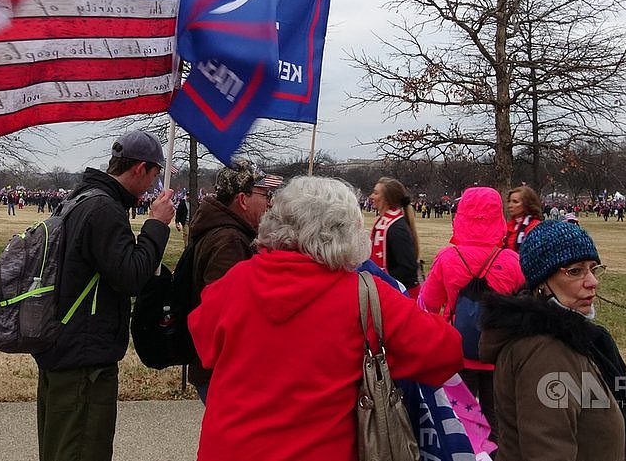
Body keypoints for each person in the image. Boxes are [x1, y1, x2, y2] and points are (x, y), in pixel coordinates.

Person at [189, 176, 463, 461]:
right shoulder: (366, 296)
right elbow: (445, 352)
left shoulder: (235, 281)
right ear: (347, 232)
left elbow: (204, 346)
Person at [33, 129, 175, 461]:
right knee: (82, 450)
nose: (154, 186)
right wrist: (157, 225)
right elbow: (131, 276)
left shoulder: (80, 198)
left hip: (63, 347)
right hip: (84, 362)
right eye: (154, 175)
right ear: (140, 169)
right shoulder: (104, 209)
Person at [479, 220, 626, 461]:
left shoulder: (573, 338)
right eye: (575, 271)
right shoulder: (546, 353)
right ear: (542, 282)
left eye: (593, 268)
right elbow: (547, 451)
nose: (592, 281)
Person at [418, 186, 525, 435]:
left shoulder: (448, 258)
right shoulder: (511, 261)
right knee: (498, 422)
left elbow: (428, 305)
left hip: (458, 350)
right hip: (499, 354)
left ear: (461, 216)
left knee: (460, 423)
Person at [187, 160, 280, 401]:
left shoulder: (225, 231)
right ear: (242, 199)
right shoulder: (230, 241)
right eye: (264, 193)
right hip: (223, 371)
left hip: (217, 368)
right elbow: (226, 313)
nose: (269, 201)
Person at [368, 177, 421, 291]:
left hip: (402, 293)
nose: (371, 196)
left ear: (387, 199)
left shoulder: (396, 228)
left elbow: (408, 268)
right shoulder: (382, 222)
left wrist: (380, 281)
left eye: (376, 193)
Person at [502, 185, 543, 252]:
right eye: (509, 201)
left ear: (527, 204)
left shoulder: (535, 227)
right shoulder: (508, 226)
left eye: (515, 202)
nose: (510, 205)